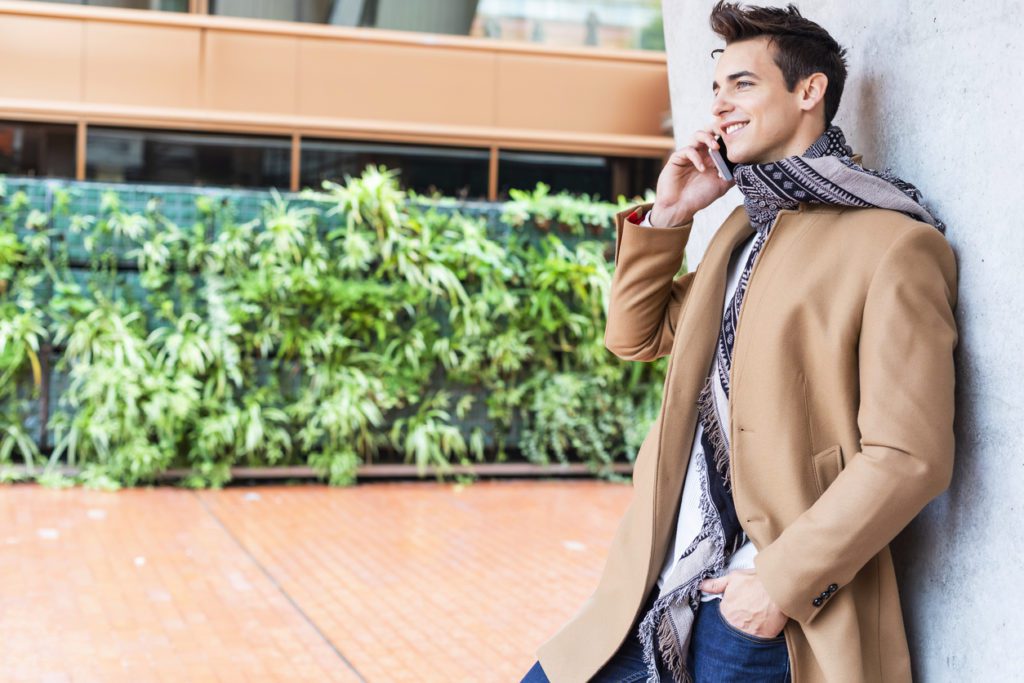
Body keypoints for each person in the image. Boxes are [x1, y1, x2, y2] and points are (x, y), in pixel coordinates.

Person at [520, 2, 958, 682]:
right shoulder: (741, 229)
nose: (720, 105)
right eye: (717, 88)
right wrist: (670, 214)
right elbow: (635, 337)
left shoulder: (895, 243)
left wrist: (777, 585)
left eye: (743, 84)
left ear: (809, 91)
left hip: (768, 614)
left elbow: (909, 454)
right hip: (660, 588)